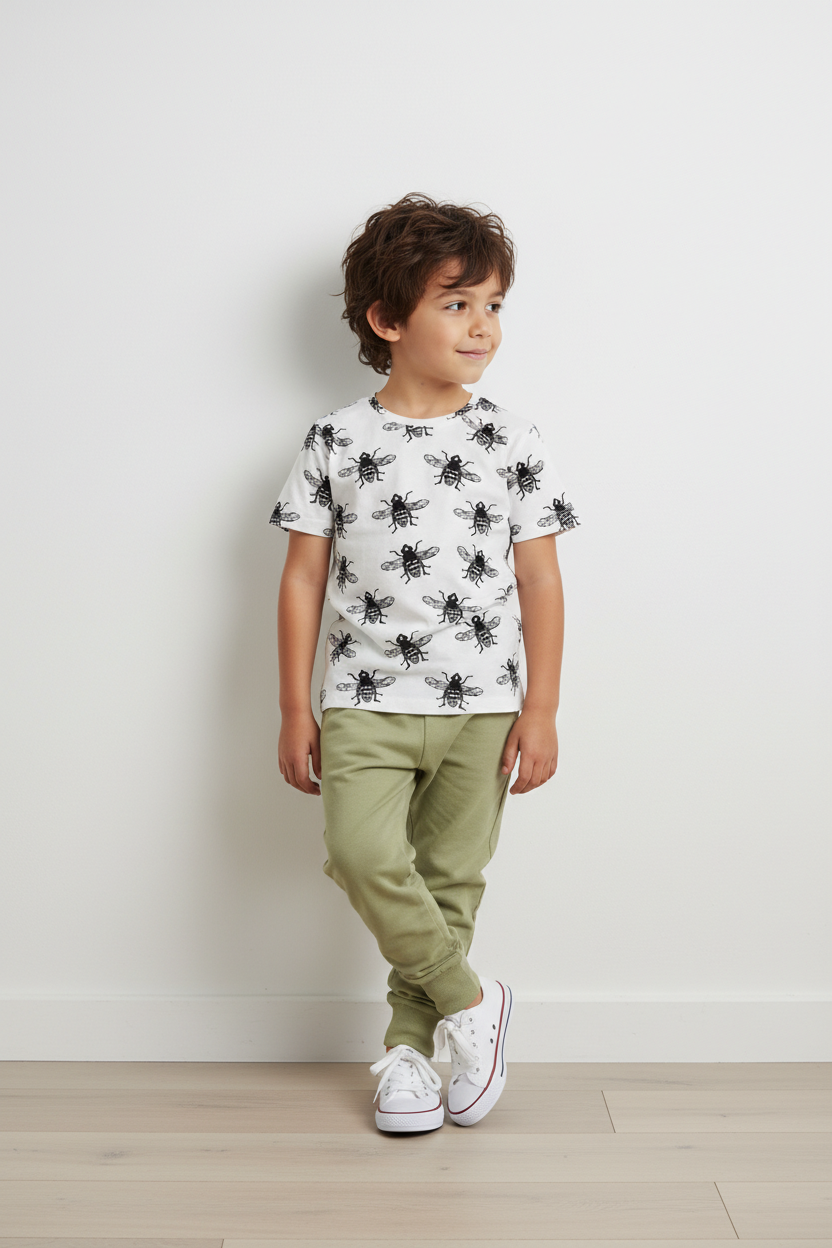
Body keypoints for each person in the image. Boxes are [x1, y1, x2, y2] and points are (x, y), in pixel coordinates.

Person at [270, 193, 579, 1133]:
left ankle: (410, 1057)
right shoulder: (335, 439)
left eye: (493, 305)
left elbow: (540, 580)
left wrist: (542, 709)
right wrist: (293, 709)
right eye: (456, 303)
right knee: (362, 856)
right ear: (387, 320)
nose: (483, 325)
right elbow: (301, 579)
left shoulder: (511, 438)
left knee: (449, 882)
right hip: (363, 697)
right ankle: (473, 1001)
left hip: (485, 703)